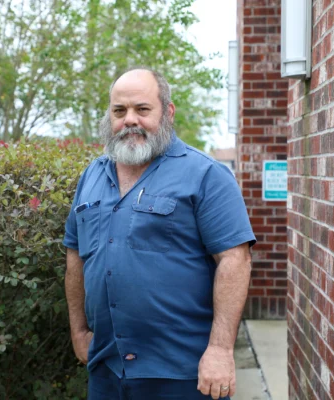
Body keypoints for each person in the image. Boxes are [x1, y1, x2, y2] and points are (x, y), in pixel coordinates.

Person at [63, 67, 256, 400]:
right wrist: (79, 331)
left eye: (142, 109)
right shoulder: (91, 177)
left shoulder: (205, 175)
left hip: (184, 374)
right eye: (119, 111)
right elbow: (75, 256)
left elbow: (235, 260)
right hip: (107, 371)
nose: (129, 120)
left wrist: (221, 350)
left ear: (167, 112)